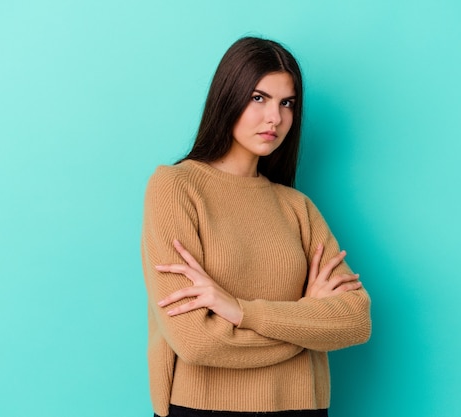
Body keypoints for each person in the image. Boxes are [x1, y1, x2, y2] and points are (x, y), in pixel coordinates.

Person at [141, 37, 371, 417]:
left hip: (301, 407)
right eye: (258, 98)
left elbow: (355, 320)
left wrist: (241, 312)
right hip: (202, 408)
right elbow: (196, 342)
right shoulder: (175, 188)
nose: (275, 118)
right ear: (228, 97)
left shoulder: (297, 207)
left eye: (287, 103)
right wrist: (307, 323)